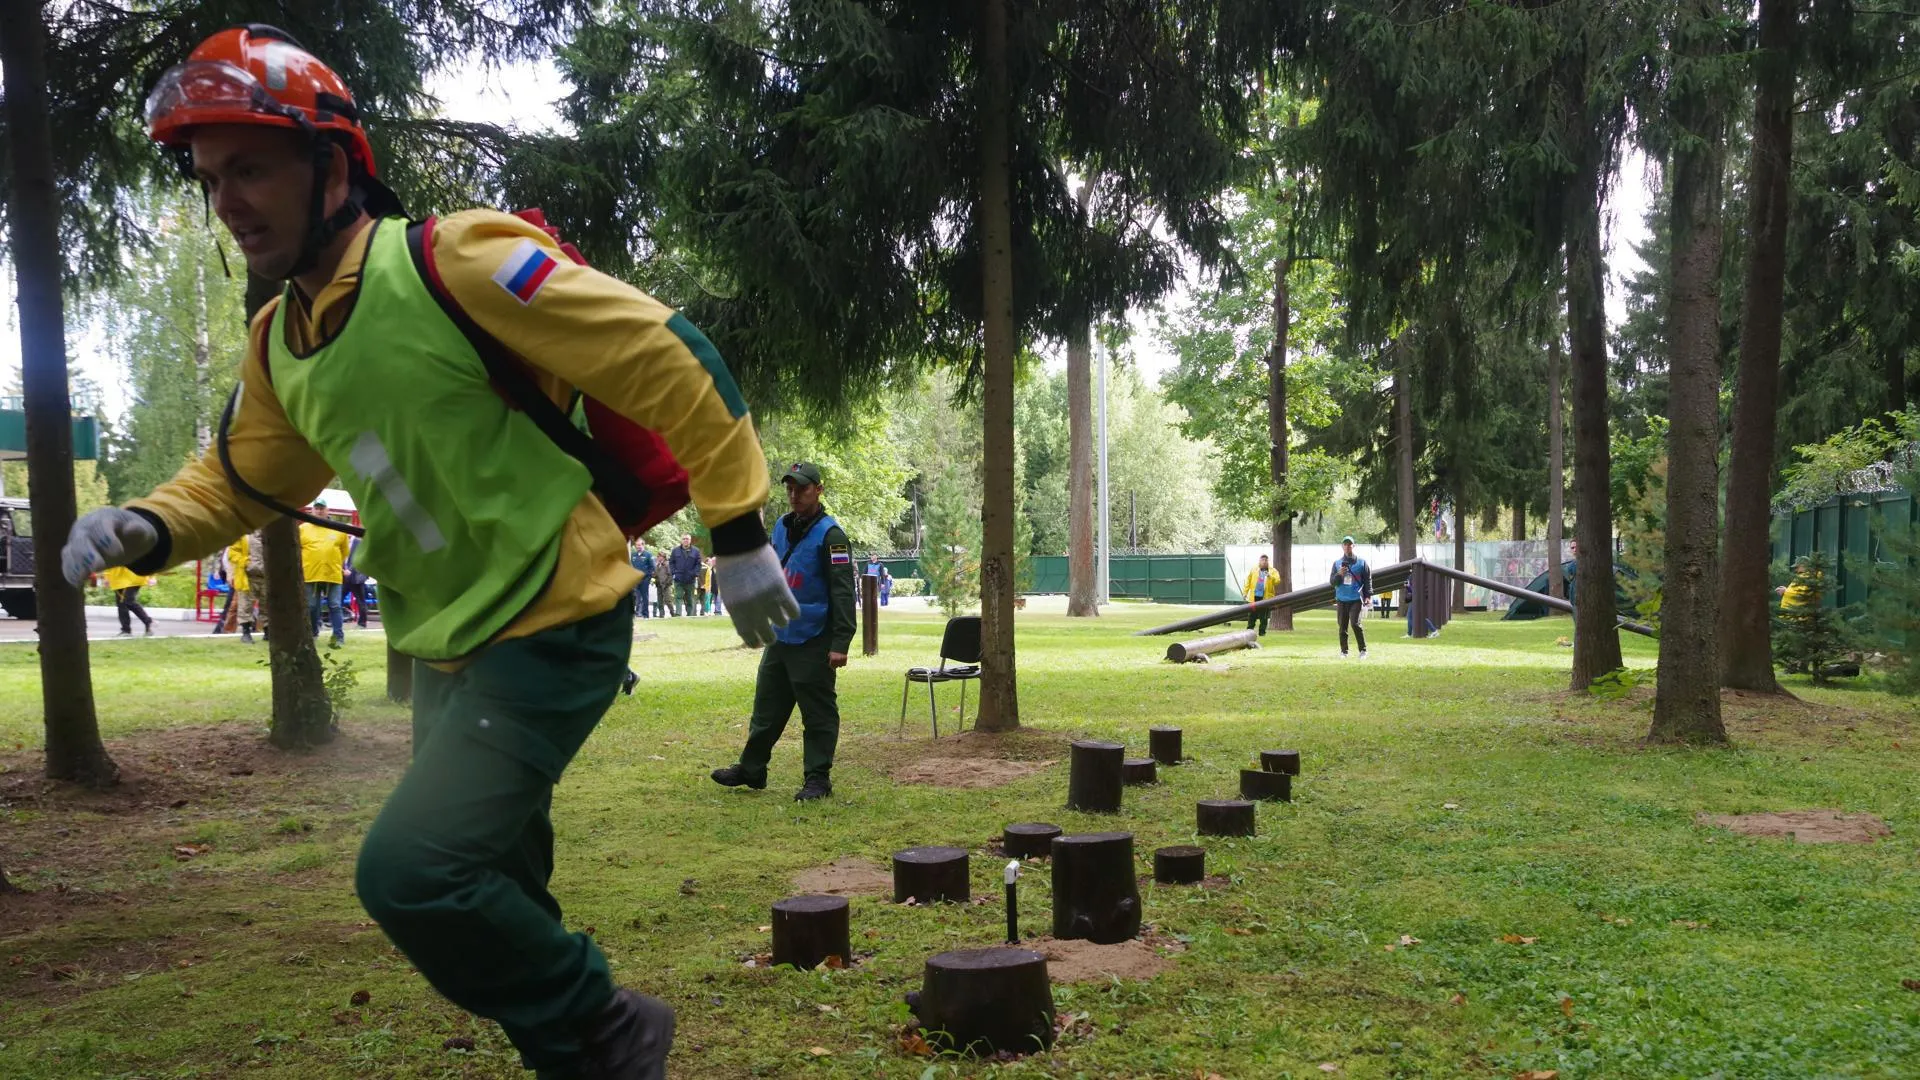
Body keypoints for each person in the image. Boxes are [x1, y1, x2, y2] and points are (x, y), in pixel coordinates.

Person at [59, 26, 799, 1079]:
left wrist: (736, 530)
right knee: (501, 890)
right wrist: (144, 526)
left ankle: (609, 1029)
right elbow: (238, 476)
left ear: (332, 164)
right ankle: (580, 1061)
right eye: (212, 177)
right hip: (447, 646)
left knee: (415, 873)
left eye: (252, 167)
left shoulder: (455, 259)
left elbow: (666, 356)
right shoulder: (281, 340)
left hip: (553, 619)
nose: (226, 199)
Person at [712, 462, 857, 801]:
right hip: (781, 635)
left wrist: (840, 643)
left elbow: (843, 592)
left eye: (802, 489)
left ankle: (818, 779)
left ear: (818, 490)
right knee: (767, 708)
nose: (794, 495)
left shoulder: (831, 536)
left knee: (818, 713)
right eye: (790, 489)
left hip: (813, 637)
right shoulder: (780, 526)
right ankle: (752, 769)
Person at [300, 501, 353, 647]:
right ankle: (313, 633)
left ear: (327, 510)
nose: (319, 511)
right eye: (316, 508)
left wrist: (335, 564)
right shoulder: (303, 529)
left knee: (335, 605)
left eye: (321, 508)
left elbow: (344, 552)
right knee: (311, 606)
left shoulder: (338, 529)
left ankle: (338, 636)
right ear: (311, 510)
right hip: (310, 574)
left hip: (333, 574)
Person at [1330, 536, 1372, 658]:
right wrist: (1339, 574)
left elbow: (1367, 580)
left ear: (1354, 546)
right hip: (1341, 599)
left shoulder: (1362, 563)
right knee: (1342, 627)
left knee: (1355, 624)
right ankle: (1344, 652)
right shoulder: (1337, 564)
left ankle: (1363, 651)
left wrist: (1368, 596)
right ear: (1342, 547)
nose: (1348, 547)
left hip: (1355, 599)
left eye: (1350, 544)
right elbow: (1333, 582)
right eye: (1345, 544)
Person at [226, 532, 264, 644]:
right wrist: (246, 562)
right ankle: (246, 633)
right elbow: (233, 553)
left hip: (267, 577)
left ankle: (267, 632)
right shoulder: (243, 534)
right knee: (245, 604)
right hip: (247, 576)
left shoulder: (271, 533)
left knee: (267, 605)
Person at [104, 564, 154, 636]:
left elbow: (149, 558)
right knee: (121, 605)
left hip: (134, 577)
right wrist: (107, 576)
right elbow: (109, 561)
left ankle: (148, 621)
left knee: (128, 601)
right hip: (117, 579)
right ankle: (126, 630)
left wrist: (152, 576)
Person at [1243, 554, 1282, 636]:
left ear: (1268, 561)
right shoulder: (1254, 569)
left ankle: (1262, 632)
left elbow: (1277, 581)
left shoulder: (1272, 571)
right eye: (1262, 560)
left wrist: (1269, 576)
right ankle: (1249, 631)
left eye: (1265, 560)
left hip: (1266, 597)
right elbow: (1248, 581)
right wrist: (1245, 593)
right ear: (1259, 561)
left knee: (1263, 616)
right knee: (1252, 615)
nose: (1264, 562)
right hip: (1254, 597)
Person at [668, 534, 702, 616]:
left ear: (690, 540)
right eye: (684, 539)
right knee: (678, 596)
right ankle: (678, 614)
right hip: (678, 578)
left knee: (689, 598)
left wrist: (695, 574)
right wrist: (674, 573)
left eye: (687, 539)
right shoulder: (675, 551)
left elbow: (698, 564)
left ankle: (689, 615)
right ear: (681, 540)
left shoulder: (696, 551)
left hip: (690, 579)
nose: (685, 540)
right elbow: (671, 563)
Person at [343, 536, 371, 628]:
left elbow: (359, 558)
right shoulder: (343, 542)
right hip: (345, 577)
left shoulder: (359, 542)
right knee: (337, 600)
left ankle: (362, 623)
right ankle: (335, 621)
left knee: (360, 600)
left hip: (357, 577)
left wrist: (350, 570)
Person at [630, 540, 655, 619]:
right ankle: (637, 613)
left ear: (643, 545)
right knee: (636, 597)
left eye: (639, 545)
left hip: (645, 579)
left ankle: (645, 614)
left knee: (645, 597)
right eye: (637, 545)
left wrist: (647, 577)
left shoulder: (648, 555)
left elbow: (652, 567)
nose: (638, 547)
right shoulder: (633, 555)